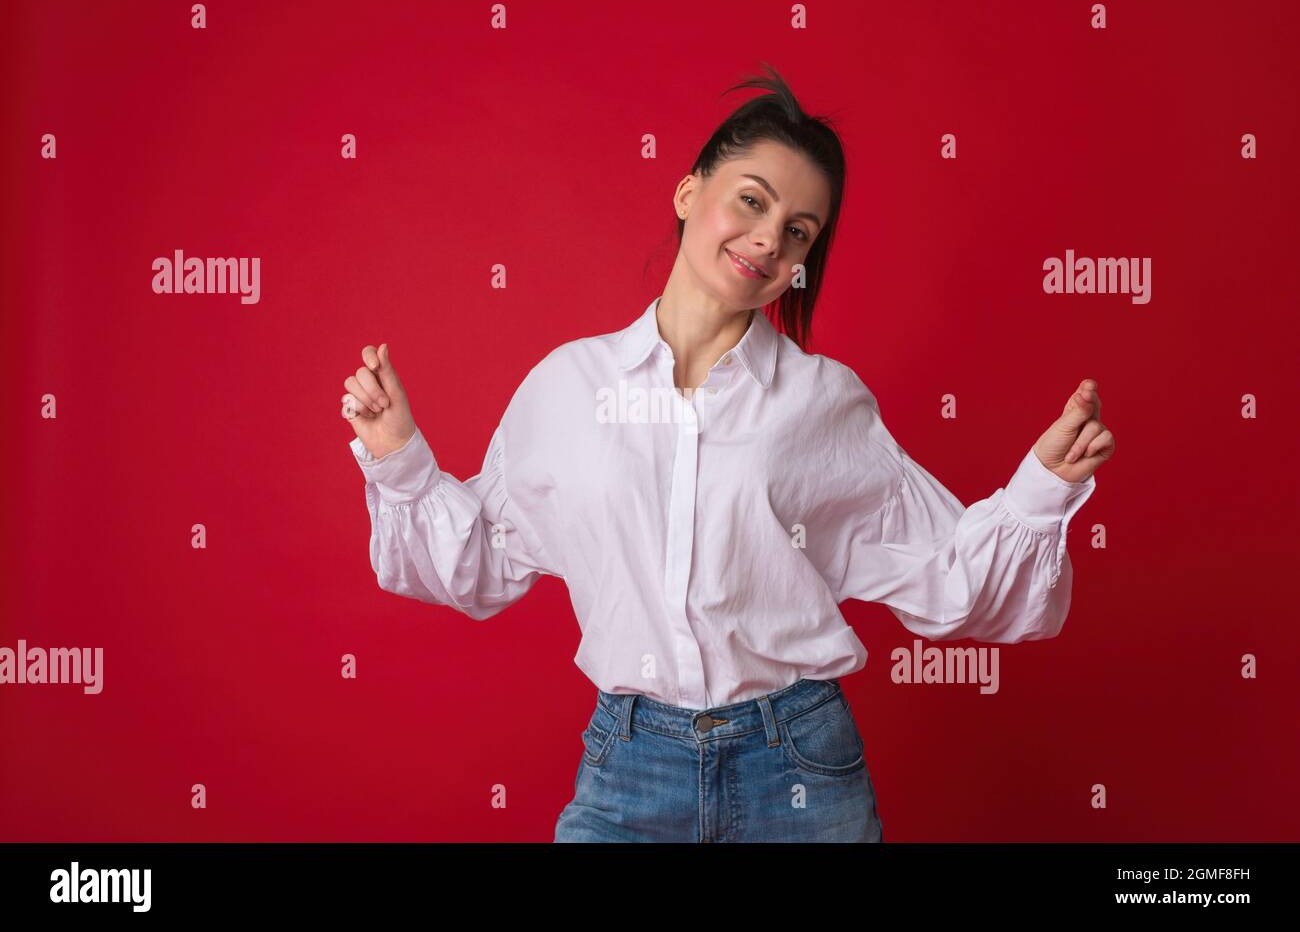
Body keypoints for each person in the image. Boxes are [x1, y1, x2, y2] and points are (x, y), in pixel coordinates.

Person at [338, 64, 1115, 843]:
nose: (769, 239)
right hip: (628, 766)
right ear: (688, 194)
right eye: (752, 199)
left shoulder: (822, 402)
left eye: (799, 230)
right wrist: (400, 456)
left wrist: (1039, 489)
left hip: (800, 766)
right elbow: (482, 566)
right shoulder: (568, 386)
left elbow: (949, 579)